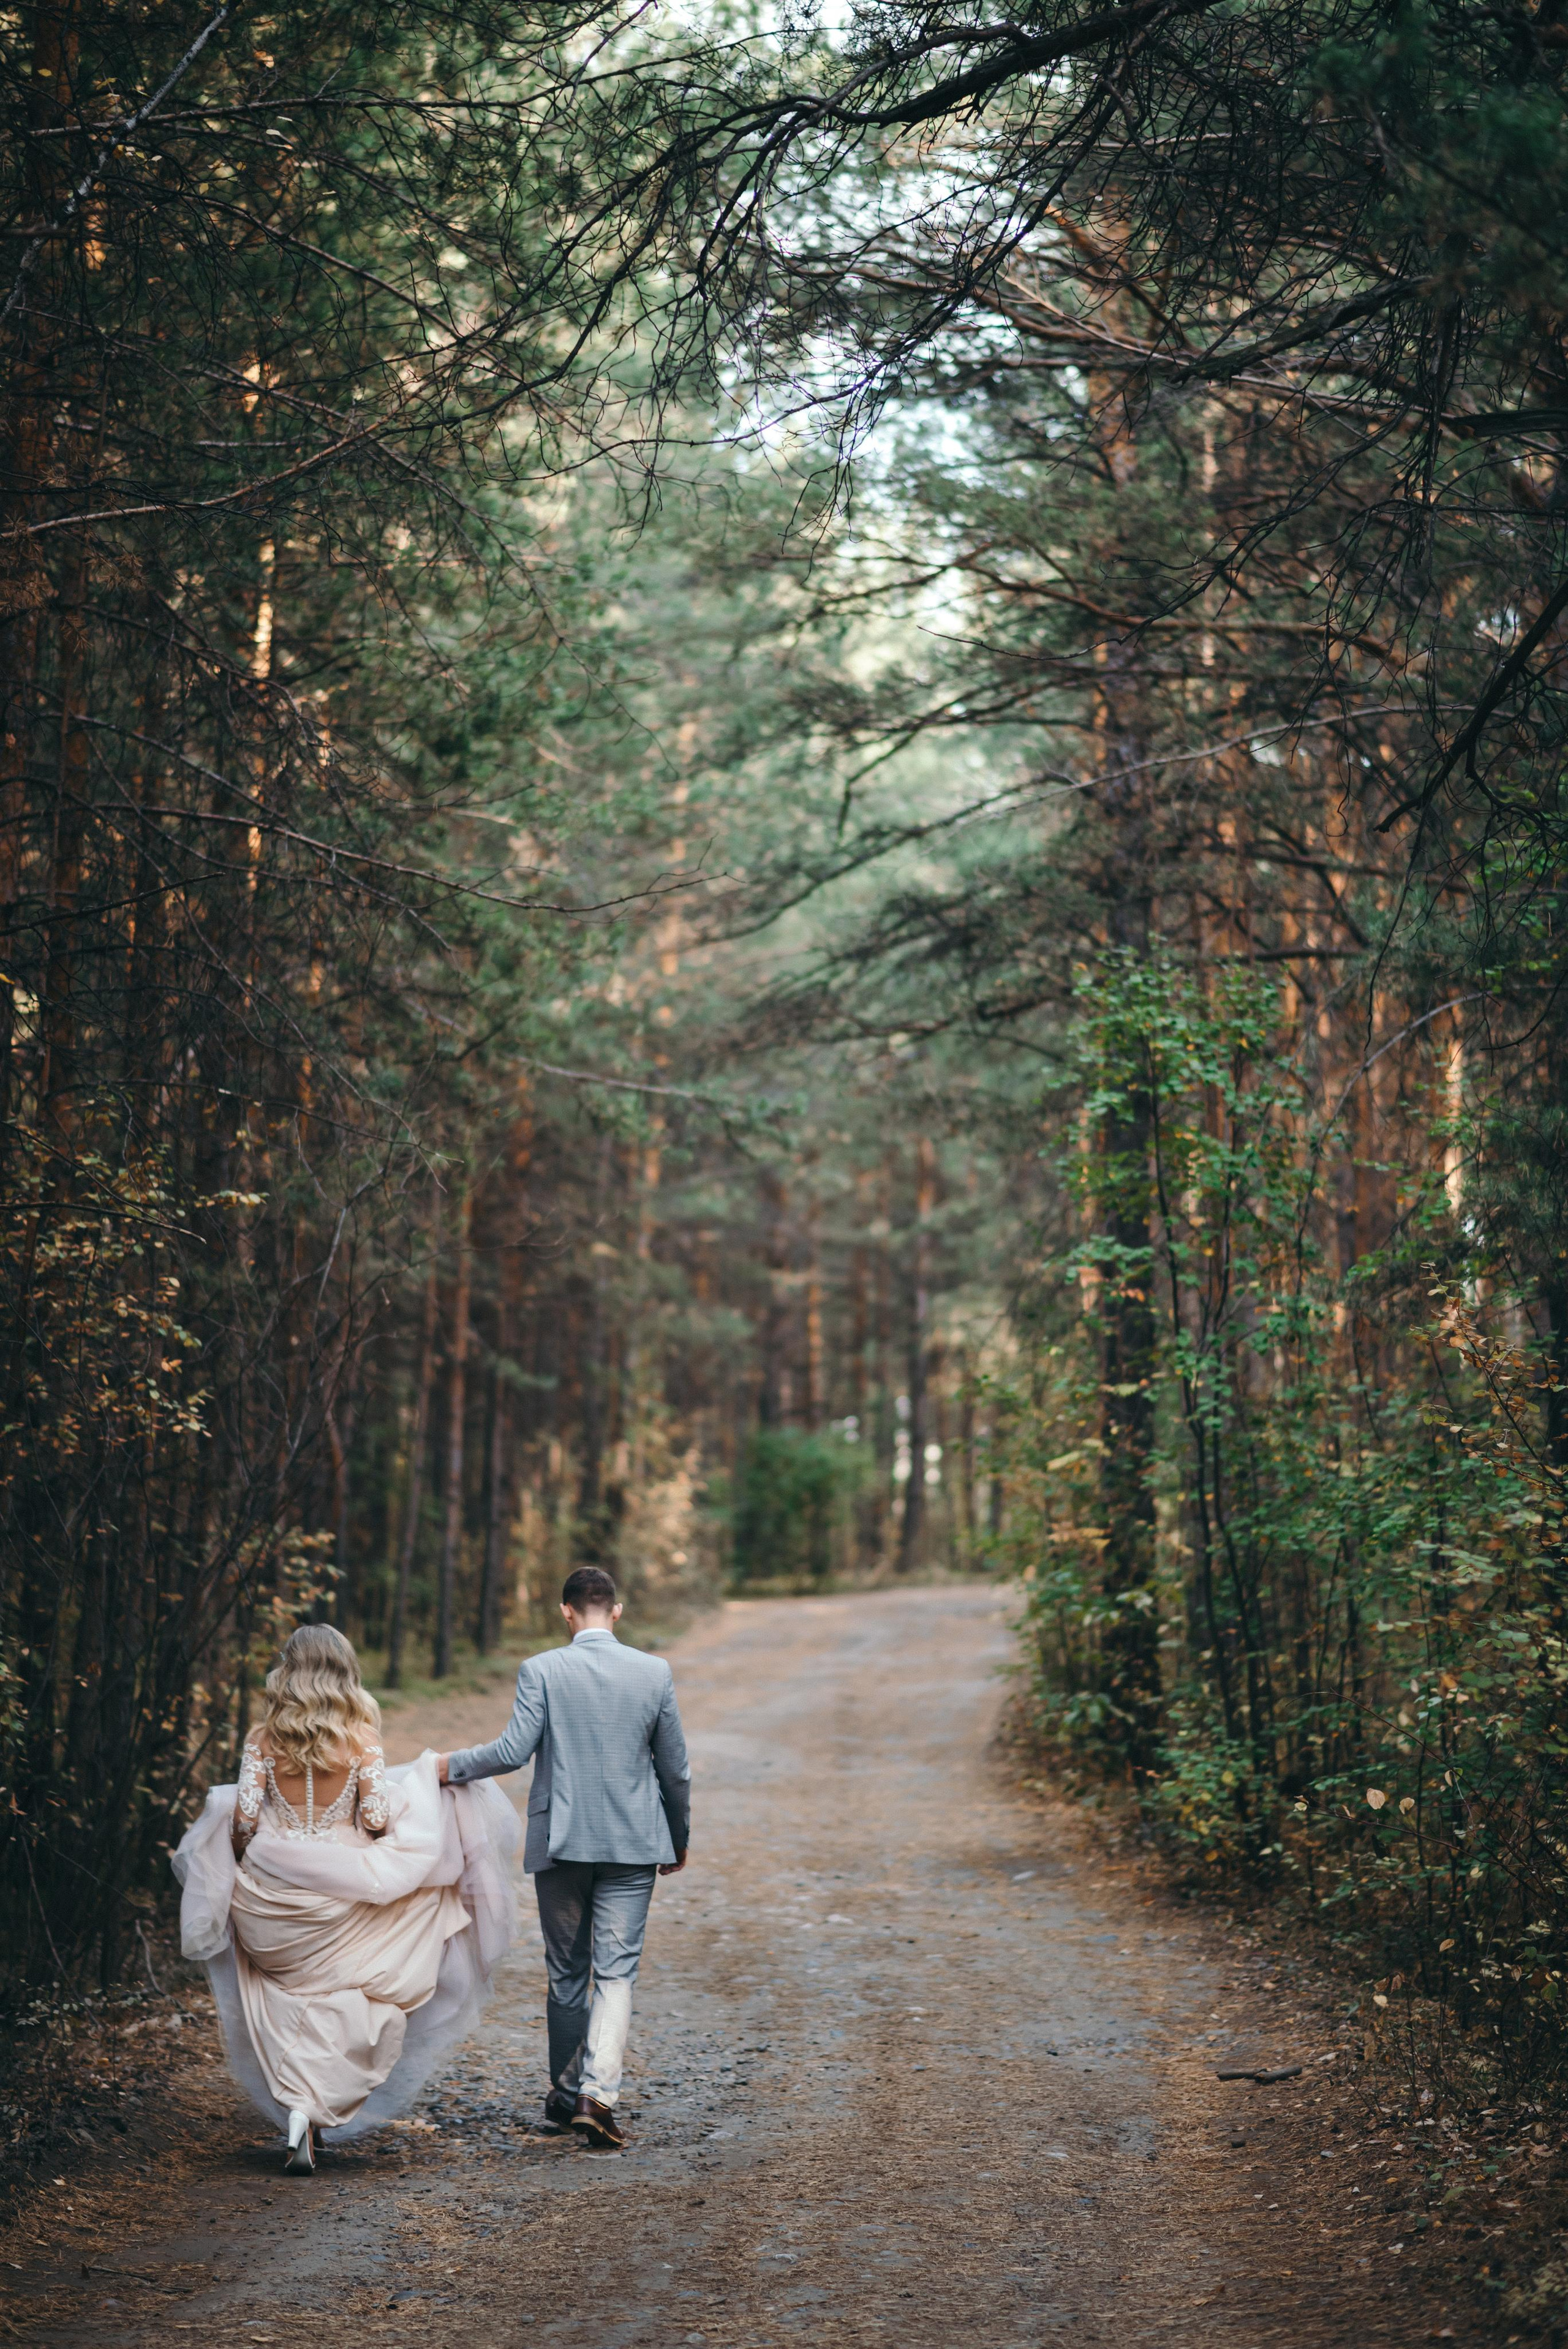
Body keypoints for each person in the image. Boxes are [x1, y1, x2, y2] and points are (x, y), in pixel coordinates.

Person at [173, 1625, 517, 2175]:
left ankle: (299, 2112)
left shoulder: (262, 1740)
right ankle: (310, 2111)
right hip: (340, 1899)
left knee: (285, 1998)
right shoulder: (361, 1738)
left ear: (287, 1670)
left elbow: (242, 1824)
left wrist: (256, 1868)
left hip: (274, 1904)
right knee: (364, 1984)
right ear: (344, 1670)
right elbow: (378, 1821)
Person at [435, 1565, 690, 2151]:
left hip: (562, 1843)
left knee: (567, 1972)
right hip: (632, 1844)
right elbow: (674, 1768)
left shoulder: (542, 1669)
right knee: (617, 1970)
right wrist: (677, 1838)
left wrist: (451, 1766)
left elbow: (512, 1751)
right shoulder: (653, 1673)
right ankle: (593, 2095)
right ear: (617, 1612)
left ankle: (565, 2089)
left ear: (567, 1612)